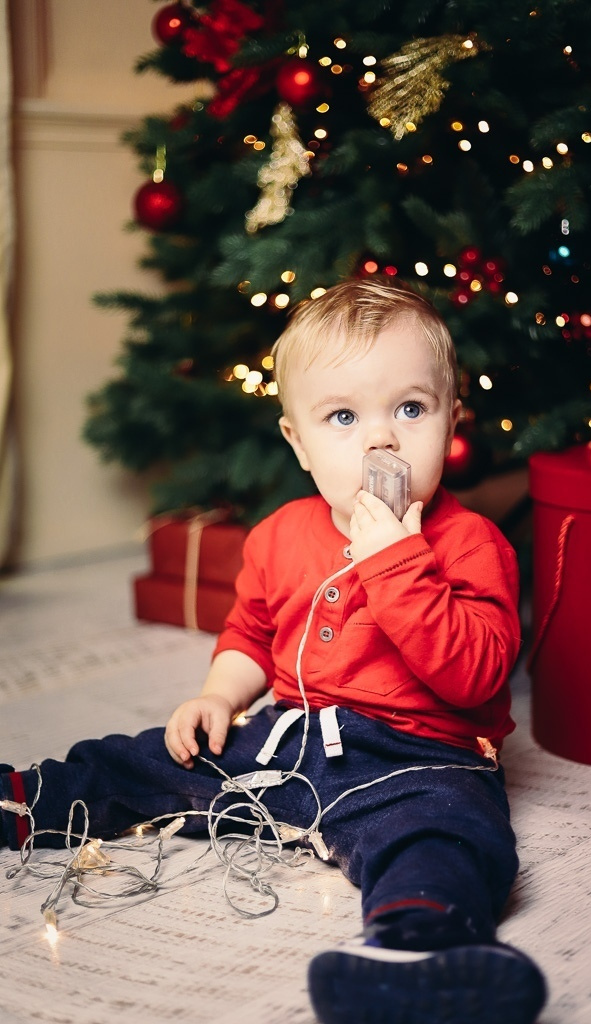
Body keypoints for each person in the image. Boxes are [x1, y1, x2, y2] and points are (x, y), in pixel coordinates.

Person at [1, 279, 546, 1024]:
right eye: (343, 417)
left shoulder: (469, 543)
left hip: (420, 760)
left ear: (451, 418)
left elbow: (475, 672)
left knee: (446, 835)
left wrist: (396, 560)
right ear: (298, 440)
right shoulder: (280, 534)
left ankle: (420, 946)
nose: (381, 439)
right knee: (149, 760)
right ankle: (29, 801)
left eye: (410, 409)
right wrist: (219, 697)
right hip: (288, 737)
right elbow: (251, 635)